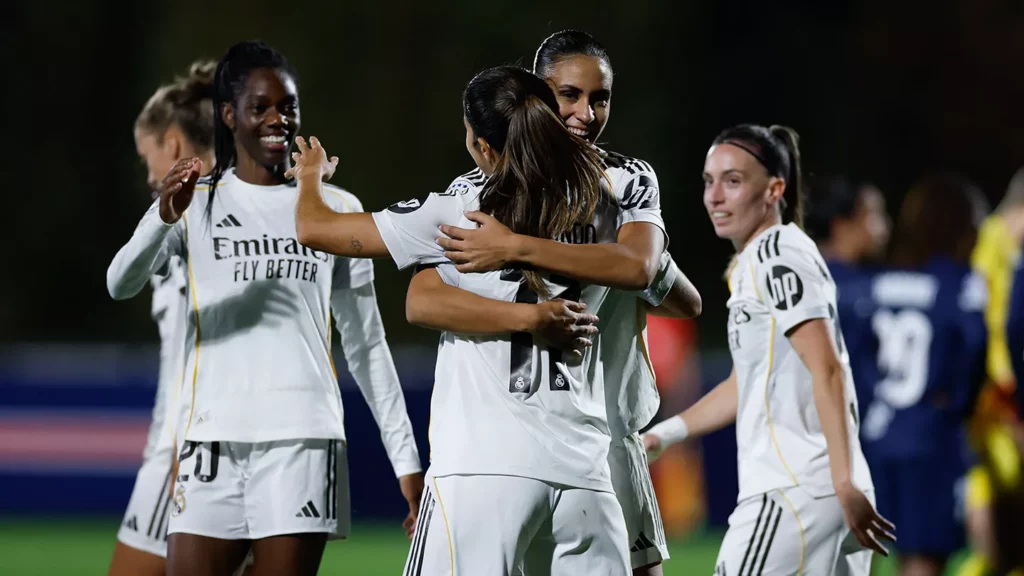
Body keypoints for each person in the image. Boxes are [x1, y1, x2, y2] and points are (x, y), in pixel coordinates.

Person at [290, 64, 683, 575]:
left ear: (481, 145)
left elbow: (314, 228)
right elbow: (655, 276)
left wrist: (310, 177)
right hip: (585, 475)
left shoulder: (461, 207)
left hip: (482, 467)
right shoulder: (606, 204)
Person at [106, 40, 423, 576]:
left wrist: (407, 463)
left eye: (288, 106)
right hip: (209, 439)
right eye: (260, 107)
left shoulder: (335, 208)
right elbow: (120, 282)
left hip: (303, 441)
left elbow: (367, 346)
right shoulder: (196, 202)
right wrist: (161, 216)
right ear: (229, 116)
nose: (279, 119)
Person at [401, 30, 701, 576]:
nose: (586, 113)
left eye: (600, 98)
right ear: (534, 97)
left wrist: (636, 257)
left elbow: (680, 296)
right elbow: (422, 297)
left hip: (608, 436)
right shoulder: (485, 187)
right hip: (528, 435)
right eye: (569, 95)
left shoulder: (624, 187)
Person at [643, 124, 891, 575]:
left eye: (733, 181)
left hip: (796, 490)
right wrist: (667, 433)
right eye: (709, 181)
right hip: (825, 489)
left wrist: (843, 479)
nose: (715, 196)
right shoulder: (766, 257)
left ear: (775, 189)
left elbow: (828, 368)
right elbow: (749, 382)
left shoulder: (773, 255)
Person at [109, 59, 217, 576]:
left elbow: (210, 344)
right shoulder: (179, 217)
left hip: (185, 447)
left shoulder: (202, 217)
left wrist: (183, 444)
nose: (149, 173)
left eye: (145, 155)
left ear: (171, 144)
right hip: (196, 443)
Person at [859, 174, 988, 576]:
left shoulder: (878, 282)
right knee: (923, 561)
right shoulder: (961, 284)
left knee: (860, 558)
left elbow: (855, 356)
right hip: (929, 439)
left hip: (874, 437)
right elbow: (973, 355)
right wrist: (956, 408)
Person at [959, 170, 1024, 576]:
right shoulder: (994, 240)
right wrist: (1003, 381)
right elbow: (986, 319)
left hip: (999, 384)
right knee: (998, 477)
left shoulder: (1002, 243)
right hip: (994, 390)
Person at [804, 176, 891, 436]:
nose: (885, 227)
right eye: (873, 216)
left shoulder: (800, 276)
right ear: (842, 225)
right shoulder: (854, 290)